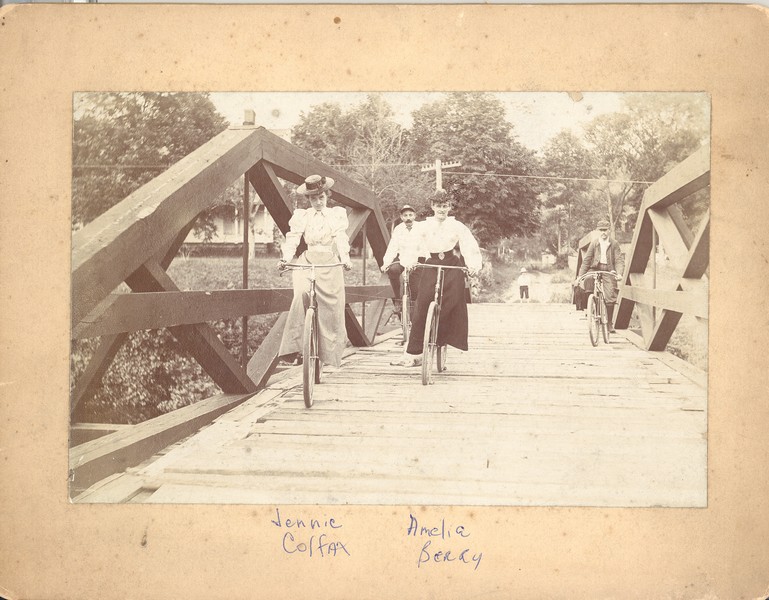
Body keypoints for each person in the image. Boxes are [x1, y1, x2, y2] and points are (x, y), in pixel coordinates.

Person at [391, 189, 482, 367]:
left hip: (451, 264)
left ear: (449, 207)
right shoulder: (423, 226)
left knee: (455, 300)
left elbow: (468, 244)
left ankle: (445, 337)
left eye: (445, 206)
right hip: (431, 262)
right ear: (432, 206)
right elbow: (413, 245)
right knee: (423, 303)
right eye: (439, 206)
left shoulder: (456, 225)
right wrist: (409, 262)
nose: (442, 209)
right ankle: (414, 352)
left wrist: (473, 265)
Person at [278, 174, 352, 368]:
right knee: (301, 295)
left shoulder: (336, 214)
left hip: (329, 263)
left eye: (321, 197)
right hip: (308, 260)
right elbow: (293, 237)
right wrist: (285, 258)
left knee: (332, 308)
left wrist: (345, 258)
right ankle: (295, 347)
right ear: (308, 199)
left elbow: (341, 237)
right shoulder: (303, 216)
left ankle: (328, 354)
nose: (318, 202)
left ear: (327, 196)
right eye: (313, 198)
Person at [576, 218, 625, 332]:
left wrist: (619, 273)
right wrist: (579, 276)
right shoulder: (594, 243)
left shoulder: (614, 244)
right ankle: (591, 304)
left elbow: (619, 260)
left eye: (605, 230)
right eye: (601, 230)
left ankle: (609, 324)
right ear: (598, 231)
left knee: (610, 295)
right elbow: (587, 260)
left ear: (609, 230)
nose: (603, 232)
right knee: (588, 279)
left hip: (609, 270)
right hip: (595, 268)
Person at [381, 204, 427, 317]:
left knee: (414, 286)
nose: (408, 218)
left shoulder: (422, 228)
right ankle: (398, 299)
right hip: (404, 259)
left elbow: (426, 246)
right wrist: (386, 263)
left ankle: (414, 312)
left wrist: (424, 261)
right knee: (393, 270)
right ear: (401, 217)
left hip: (418, 260)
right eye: (405, 215)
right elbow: (393, 247)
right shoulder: (398, 229)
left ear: (415, 215)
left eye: (410, 215)